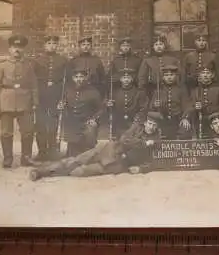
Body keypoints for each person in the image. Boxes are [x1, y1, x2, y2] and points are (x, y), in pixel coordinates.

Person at [29, 112, 164, 181]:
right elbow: (124, 140)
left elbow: (155, 162)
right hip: (107, 149)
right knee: (75, 160)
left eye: (154, 125)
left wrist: (141, 168)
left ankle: (49, 174)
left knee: (79, 172)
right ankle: (40, 172)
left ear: (157, 127)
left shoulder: (156, 140)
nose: (151, 127)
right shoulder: (136, 128)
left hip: (117, 164)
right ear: (145, 123)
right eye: (149, 123)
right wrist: (143, 143)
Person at [0, 34, 38, 168]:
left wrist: (35, 102)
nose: (17, 50)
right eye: (14, 47)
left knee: (28, 131)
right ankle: (7, 158)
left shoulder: (28, 65)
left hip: (25, 102)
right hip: (6, 102)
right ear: (9, 49)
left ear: (24, 49)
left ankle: (26, 157)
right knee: (6, 132)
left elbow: (34, 85)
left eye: (20, 47)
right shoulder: (2, 66)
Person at [32, 35, 68, 161]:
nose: (52, 45)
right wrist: (34, 99)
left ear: (57, 45)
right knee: (40, 124)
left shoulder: (63, 60)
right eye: (49, 43)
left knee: (53, 124)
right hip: (41, 97)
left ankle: (53, 151)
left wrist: (63, 99)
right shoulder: (37, 61)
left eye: (54, 43)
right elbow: (33, 81)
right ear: (44, 45)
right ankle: (42, 151)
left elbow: (66, 82)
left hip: (56, 96)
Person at [60, 68, 103, 157]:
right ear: (73, 78)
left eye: (81, 77)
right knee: (71, 157)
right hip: (73, 123)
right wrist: (61, 106)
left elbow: (101, 109)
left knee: (87, 151)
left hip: (86, 121)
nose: (79, 79)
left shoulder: (93, 92)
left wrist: (94, 119)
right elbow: (65, 104)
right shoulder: (68, 90)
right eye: (76, 77)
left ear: (86, 77)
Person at [188, 63, 219, 138]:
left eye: (208, 73)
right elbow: (189, 108)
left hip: (217, 122)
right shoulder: (194, 91)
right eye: (203, 73)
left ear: (212, 75)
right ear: (199, 76)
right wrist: (195, 108)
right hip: (200, 122)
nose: (205, 75)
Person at [149, 65, 192, 139]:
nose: (169, 77)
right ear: (163, 77)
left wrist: (185, 118)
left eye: (171, 75)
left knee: (185, 132)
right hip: (162, 121)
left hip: (177, 120)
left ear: (176, 76)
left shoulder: (181, 90)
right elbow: (150, 109)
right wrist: (154, 105)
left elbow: (187, 106)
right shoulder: (158, 91)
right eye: (166, 75)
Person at [106, 67, 148, 139]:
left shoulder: (139, 92)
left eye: (128, 78)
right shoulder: (114, 92)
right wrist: (109, 105)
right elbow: (109, 110)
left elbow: (143, 108)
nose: (126, 80)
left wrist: (137, 120)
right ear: (120, 79)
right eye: (124, 78)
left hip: (134, 123)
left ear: (132, 79)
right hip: (119, 123)